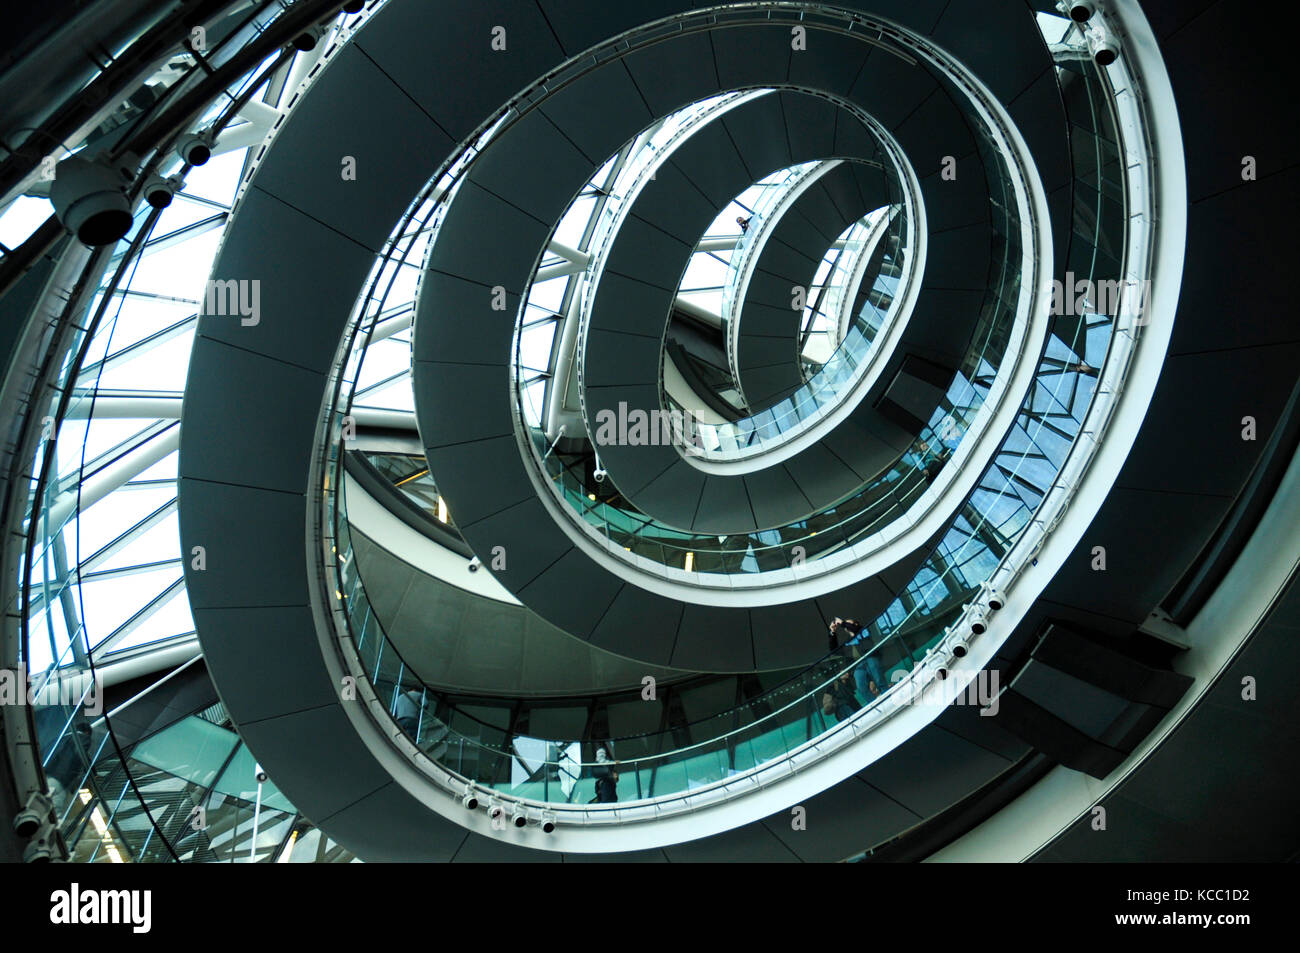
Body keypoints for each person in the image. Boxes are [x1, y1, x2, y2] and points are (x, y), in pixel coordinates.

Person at [829, 617, 885, 700]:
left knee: (878, 677)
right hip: (858, 665)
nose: (845, 625)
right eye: (845, 624)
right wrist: (832, 632)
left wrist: (842, 623)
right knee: (861, 686)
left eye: (848, 623)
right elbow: (834, 650)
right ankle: (872, 703)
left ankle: (886, 693)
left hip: (870, 657)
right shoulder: (847, 642)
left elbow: (855, 629)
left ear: (855, 624)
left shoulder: (863, 631)